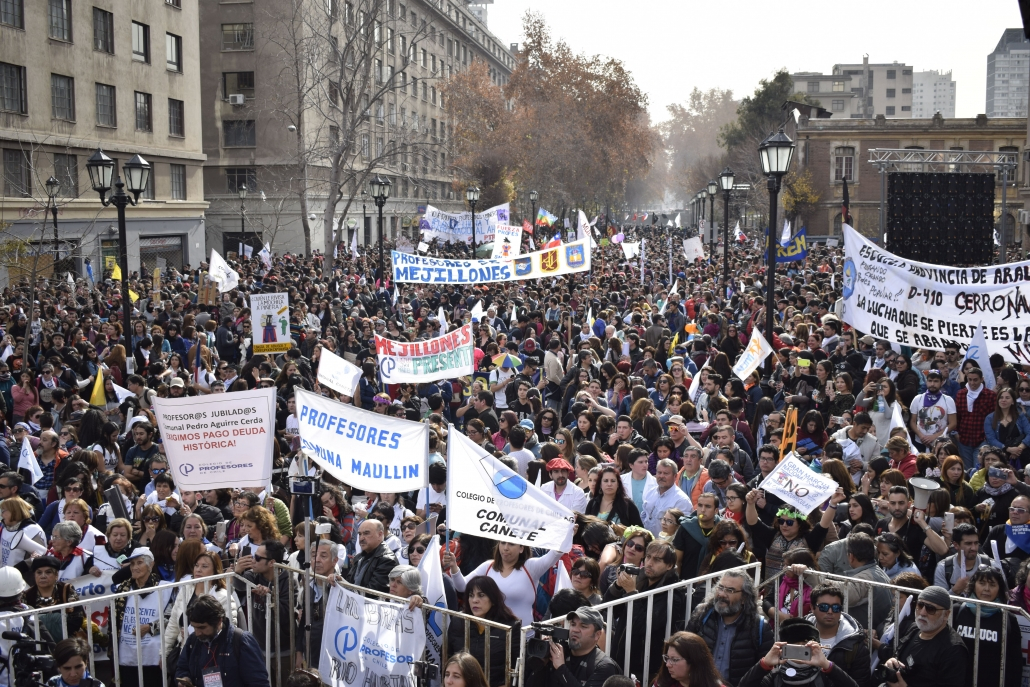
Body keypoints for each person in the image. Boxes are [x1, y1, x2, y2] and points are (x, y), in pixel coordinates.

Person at [604, 540, 686, 683]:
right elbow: (608, 610)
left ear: (669, 565)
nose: (649, 562)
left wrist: (631, 593)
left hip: (644, 670)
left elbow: (642, 626)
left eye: (657, 559)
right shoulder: (639, 582)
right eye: (648, 557)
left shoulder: (672, 594)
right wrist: (618, 586)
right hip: (620, 660)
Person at [443, 540, 562, 629]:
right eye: (503, 543)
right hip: (493, 636)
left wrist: (567, 532)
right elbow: (462, 586)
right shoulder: (488, 566)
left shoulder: (530, 567)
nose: (505, 548)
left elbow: (554, 555)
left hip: (523, 637)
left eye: (511, 544)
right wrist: (454, 566)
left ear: (521, 548)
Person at [686, 569, 772, 687]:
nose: (721, 594)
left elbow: (765, 672)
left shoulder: (760, 627)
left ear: (744, 598)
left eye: (730, 590)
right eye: (720, 588)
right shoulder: (702, 614)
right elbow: (684, 650)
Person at [175, 594, 271, 687]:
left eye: (202, 628)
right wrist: (185, 679)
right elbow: (182, 668)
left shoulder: (241, 641)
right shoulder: (193, 641)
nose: (197, 633)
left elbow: (258, 682)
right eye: (194, 627)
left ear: (218, 621)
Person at [881, 586, 968, 687]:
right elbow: (898, 656)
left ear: (946, 615)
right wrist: (891, 663)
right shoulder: (914, 629)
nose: (922, 612)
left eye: (931, 609)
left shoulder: (953, 650)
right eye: (920, 605)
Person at [951, 565, 1022, 687]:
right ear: (974, 585)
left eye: (992, 585)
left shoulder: (1007, 618)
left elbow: (1015, 662)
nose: (986, 589)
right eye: (982, 583)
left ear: (999, 589)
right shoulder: (957, 611)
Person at [737, 617, 859, 687]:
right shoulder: (775, 677)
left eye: (805, 646)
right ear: (785, 647)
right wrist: (764, 664)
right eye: (795, 645)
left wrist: (827, 665)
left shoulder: (823, 677)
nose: (801, 648)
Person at [445, 575, 521, 687]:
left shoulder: (511, 626)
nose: (475, 600)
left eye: (481, 595)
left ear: (493, 599)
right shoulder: (458, 621)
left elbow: (517, 666)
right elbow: (447, 656)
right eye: (471, 596)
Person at [112, 548, 171, 687]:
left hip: (153, 655)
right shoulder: (123, 589)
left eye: (139, 563)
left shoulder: (166, 588)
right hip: (127, 655)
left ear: (151, 565)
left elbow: (172, 618)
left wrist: (150, 628)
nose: (135, 567)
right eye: (132, 564)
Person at [530, 606, 621, 687]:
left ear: (597, 634)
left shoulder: (604, 666)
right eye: (573, 624)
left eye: (583, 626)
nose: (575, 630)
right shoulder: (558, 653)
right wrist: (541, 663)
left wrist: (561, 668)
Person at [805, 585, 871, 687]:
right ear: (812, 608)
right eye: (824, 607)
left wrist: (829, 667)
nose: (830, 612)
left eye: (836, 608)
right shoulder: (797, 636)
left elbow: (861, 684)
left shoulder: (855, 645)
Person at [955, 367, 996, 470]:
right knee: (966, 470)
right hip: (964, 439)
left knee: (978, 469)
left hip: (981, 439)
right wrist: (956, 434)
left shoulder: (990, 395)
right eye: (970, 379)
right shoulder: (961, 394)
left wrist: (987, 437)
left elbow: (993, 419)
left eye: (975, 380)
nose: (972, 383)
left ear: (982, 379)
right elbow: (957, 416)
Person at [343, 518, 397, 593]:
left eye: (366, 533)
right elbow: (349, 583)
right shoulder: (359, 557)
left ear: (380, 534)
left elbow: (372, 593)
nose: (361, 538)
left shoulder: (387, 560)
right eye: (360, 534)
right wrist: (338, 580)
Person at [641, 459, 693, 537]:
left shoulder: (681, 500)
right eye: (659, 472)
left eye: (666, 473)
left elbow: (682, 530)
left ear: (675, 476)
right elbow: (644, 515)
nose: (661, 476)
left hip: (665, 546)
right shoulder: (650, 492)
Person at [651, 631, 722, 687]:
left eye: (674, 659)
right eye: (667, 658)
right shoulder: (661, 683)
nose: (668, 664)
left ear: (694, 661)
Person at [675, 493, 720, 579]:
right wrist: (679, 584)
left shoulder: (722, 529)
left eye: (708, 506)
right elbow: (677, 560)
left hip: (713, 583)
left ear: (716, 510)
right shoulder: (686, 527)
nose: (702, 510)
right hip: (688, 582)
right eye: (700, 505)